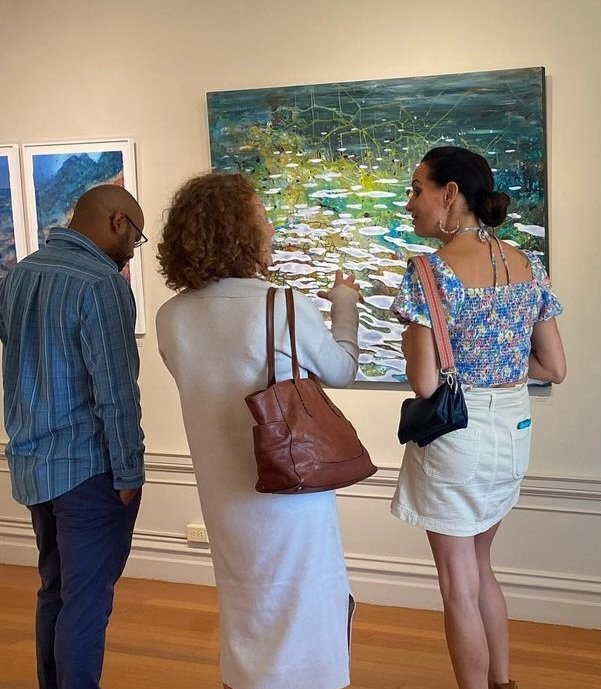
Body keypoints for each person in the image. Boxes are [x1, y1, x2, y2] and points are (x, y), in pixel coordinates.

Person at [155, 173, 361, 689]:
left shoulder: (170, 317)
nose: (269, 226)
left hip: (222, 489)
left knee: (246, 597)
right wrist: (343, 307)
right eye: (261, 215)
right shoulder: (282, 305)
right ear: (239, 230)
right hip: (287, 486)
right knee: (306, 598)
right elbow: (341, 370)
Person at [391, 147, 566, 689]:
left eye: (417, 188)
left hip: (456, 436)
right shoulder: (526, 263)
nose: (409, 201)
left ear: (450, 194)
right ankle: (502, 681)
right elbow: (555, 367)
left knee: (457, 584)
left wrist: (410, 343)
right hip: (513, 430)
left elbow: (424, 383)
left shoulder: (428, 272)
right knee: (482, 567)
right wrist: (504, 368)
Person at [0, 184, 145, 689]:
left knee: (55, 591)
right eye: (136, 237)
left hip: (33, 463)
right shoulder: (102, 283)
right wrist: (129, 471)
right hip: (89, 469)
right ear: (117, 221)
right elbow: (116, 391)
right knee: (86, 601)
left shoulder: (20, 274)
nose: (133, 250)